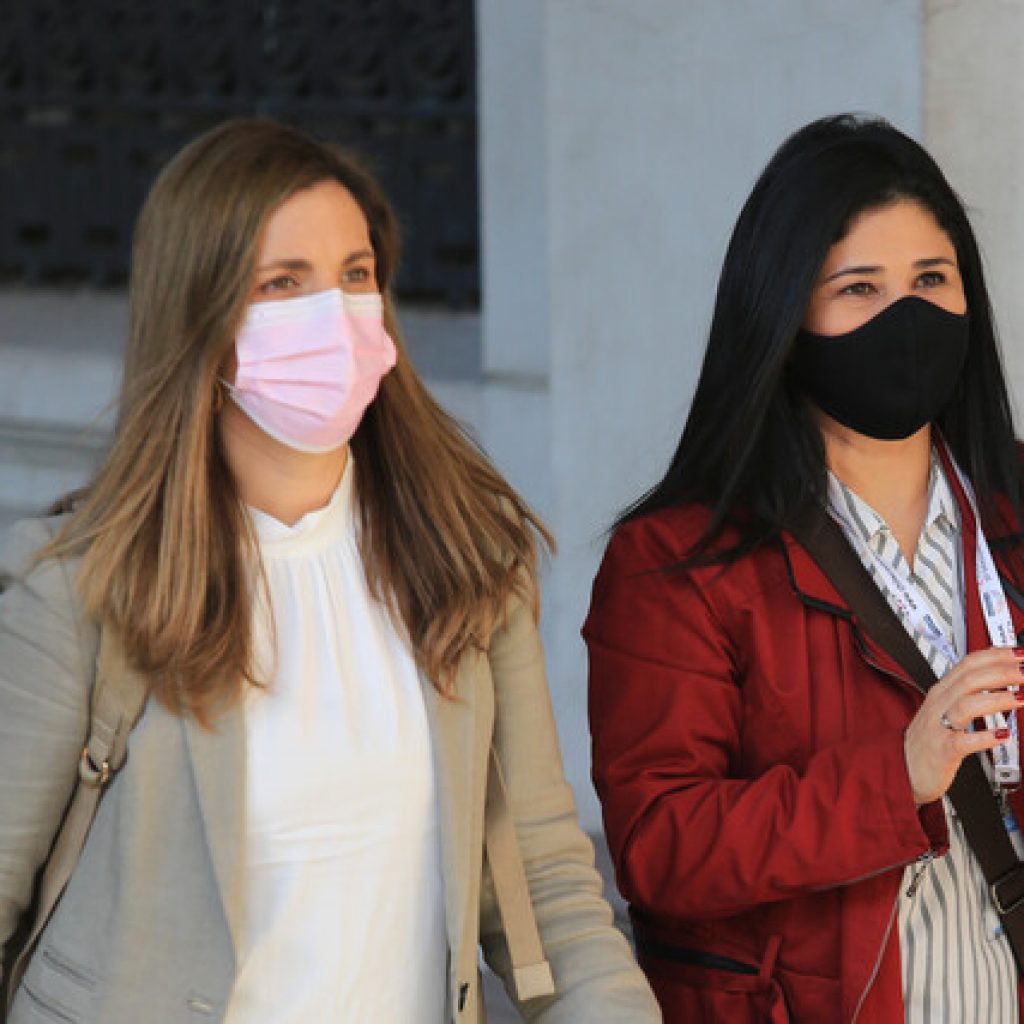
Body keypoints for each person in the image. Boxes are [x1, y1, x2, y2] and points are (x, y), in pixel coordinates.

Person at [0, 119, 660, 1024]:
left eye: (355, 275)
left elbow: (544, 883)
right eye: (283, 282)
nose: (336, 314)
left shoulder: (466, 561)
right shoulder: (78, 593)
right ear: (200, 316)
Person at [584, 113, 1024, 1023]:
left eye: (931, 280)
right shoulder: (675, 564)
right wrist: (897, 777)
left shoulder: (1010, 507)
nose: (906, 316)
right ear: (784, 317)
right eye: (859, 288)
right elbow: (661, 847)